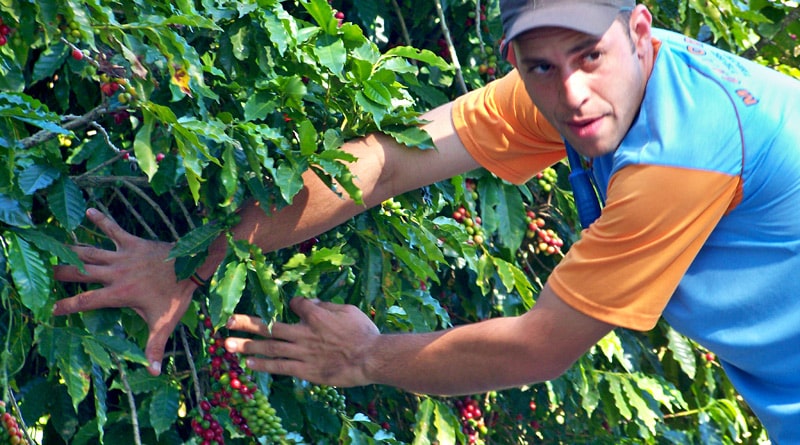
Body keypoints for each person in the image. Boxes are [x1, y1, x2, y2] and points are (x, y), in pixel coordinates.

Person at [53, 0, 800, 441]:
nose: (572, 91)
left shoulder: (683, 157)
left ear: (641, 32)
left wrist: (366, 357)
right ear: (515, 58)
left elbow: (540, 348)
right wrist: (190, 260)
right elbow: (388, 161)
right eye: (540, 66)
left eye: (589, 56)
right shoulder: (576, 84)